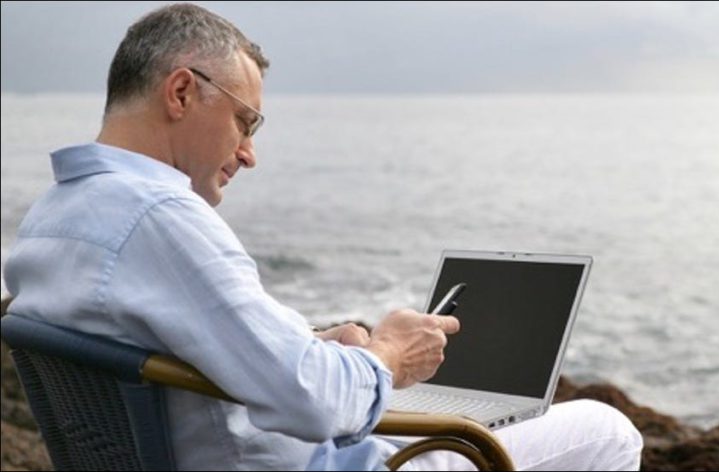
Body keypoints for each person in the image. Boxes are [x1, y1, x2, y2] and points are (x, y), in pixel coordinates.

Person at [2, 3, 642, 471]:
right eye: (245, 121)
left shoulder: (56, 215)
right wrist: (388, 355)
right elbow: (313, 403)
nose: (249, 152)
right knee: (607, 431)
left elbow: (187, 340)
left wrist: (309, 344)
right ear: (181, 92)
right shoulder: (160, 217)